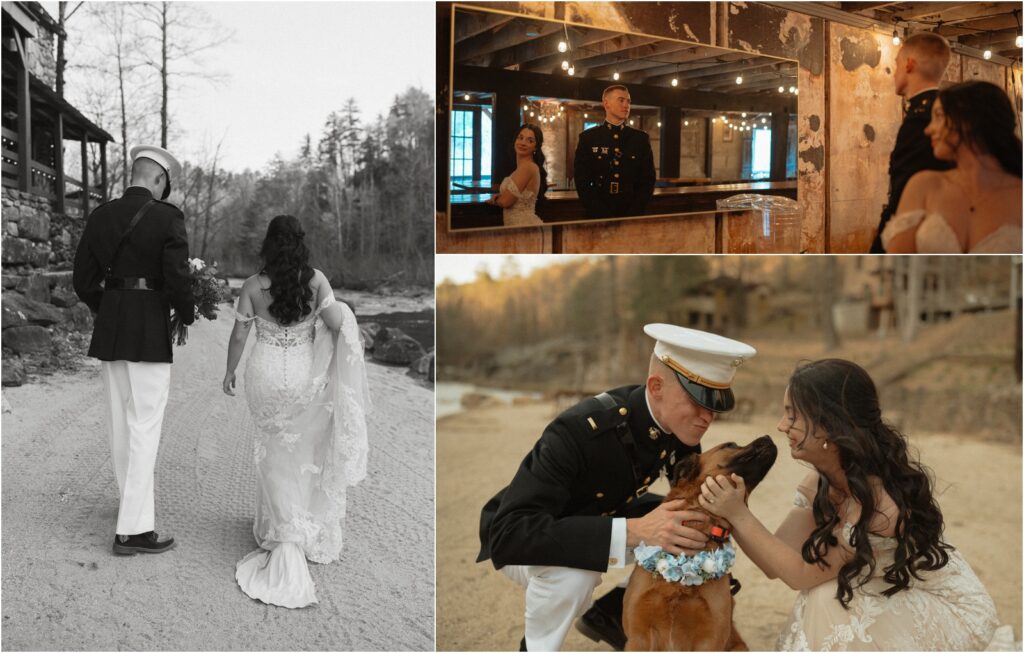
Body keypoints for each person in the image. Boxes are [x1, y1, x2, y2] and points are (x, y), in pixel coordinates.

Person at [477, 324, 757, 651]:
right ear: (656, 386)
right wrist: (635, 531)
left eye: (713, 406)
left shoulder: (678, 425)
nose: (707, 417)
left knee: (687, 523)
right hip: (524, 536)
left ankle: (608, 612)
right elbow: (509, 534)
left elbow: (690, 496)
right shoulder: (579, 430)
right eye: (697, 402)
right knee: (576, 577)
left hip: (599, 519)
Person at [700, 359, 999, 651]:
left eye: (792, 415)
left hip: (950, 609)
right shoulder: (819, 482)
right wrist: (731, 513)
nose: (781, 426)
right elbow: (772, 564)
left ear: (829, 423)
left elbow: (799, 575)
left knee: (829, 597)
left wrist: (737, 513)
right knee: (830, 594)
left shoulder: (880, 506)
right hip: (890, 588)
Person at [223, 215, 370, 608]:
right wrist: (345, 319)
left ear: (268, 245)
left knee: (272, 450)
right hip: (304, 375)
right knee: (302, 450)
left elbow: (240, 334)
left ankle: (280, 532)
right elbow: (337, 322)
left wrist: (229, 371)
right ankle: (291, 526)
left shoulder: (253, 286)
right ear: (300, 244)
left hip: (265, 373)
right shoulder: (316, 280)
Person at [73, 144, 194, 555]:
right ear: (159, 181)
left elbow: (82, 279)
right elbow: (178, 276)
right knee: (145, 425)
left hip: (112, 328)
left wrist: (106, 307)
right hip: (147, 331)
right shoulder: (167, 217)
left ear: (135, 175)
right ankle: (133, 532)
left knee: (120, 423)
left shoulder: (100, 215)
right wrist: (188, 313)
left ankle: (130, 506)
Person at [882, 80, 1022, 253]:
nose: (928, 130)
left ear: (970, 120)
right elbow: (897, 268)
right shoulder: (924, 185)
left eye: (939, 116)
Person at [871, 32, 955, 253]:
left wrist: (879, 248)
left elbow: (904, 191)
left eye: (897, 65)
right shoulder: (942, 111)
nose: (894, 74)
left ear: (909, 64)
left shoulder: (921, 120)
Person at [573, 85, 656, 219]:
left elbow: (648, 180)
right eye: (621, 100)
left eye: (628, 101)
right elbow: (581, 180)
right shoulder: (588, 138)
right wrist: (597, 211)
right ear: (606, 103)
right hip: (598, 212)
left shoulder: (640, 139)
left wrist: (635, 211)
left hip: (631, 211)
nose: (626, 105)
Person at [487, 124, 546, 227]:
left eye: (530, 140)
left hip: (523, 227)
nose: (523, 143)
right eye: (520, 137)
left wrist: (496, 200)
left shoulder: (528, 167)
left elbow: (506, 202)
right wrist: (501, 196)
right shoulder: (521, 168)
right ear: (515, 140)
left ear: (536, 147)